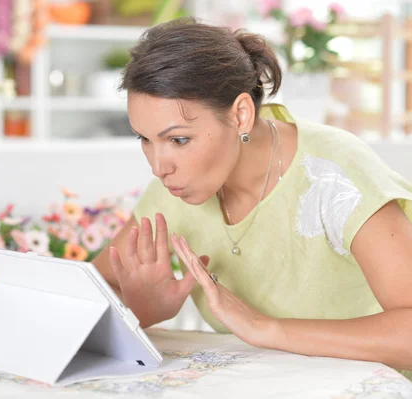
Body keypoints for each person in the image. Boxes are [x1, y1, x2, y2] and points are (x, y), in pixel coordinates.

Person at [91, 17, 412, 380]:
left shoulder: (335, 173)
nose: (158, 166)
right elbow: (96, 292)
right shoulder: (176, 186)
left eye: (178, 140)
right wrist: (142, 308)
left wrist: (265, 328)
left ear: (241, 114)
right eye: (145, 140)